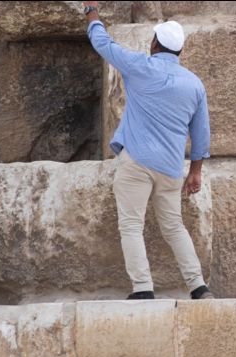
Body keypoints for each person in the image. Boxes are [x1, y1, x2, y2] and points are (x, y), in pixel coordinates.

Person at [83, 1, 214, 300]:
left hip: (137, 162)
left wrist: (91, 9)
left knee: (131, 226)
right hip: (170, 168)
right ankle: (198, 286)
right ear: (178, 51)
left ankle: (143, 289)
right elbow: (201, 134)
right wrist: (195, 173)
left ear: (155, 43)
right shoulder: (194, 84)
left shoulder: (139, 66)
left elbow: (102, 42)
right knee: (174, 227)